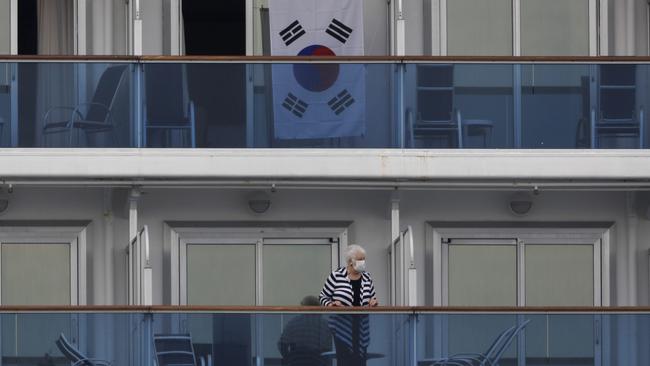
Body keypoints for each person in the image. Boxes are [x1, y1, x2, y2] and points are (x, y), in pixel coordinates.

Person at [319, 245, 378, 366]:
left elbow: (372, 297)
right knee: (344, 361)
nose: (363, 262)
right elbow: (323, 297)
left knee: (360, 360)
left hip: (361, 326)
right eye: (360, 259)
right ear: (350, 261)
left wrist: (373, 302)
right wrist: (331, 304)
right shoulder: (336, 276)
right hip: (341, 326)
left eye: (364, 259)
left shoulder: (367, 277)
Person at [277, 296, 332, 366]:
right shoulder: (325, 324)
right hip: (317, 361)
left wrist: (289, 358)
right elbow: (327, 350)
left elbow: (282, 344)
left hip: (296, 361)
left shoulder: (294, 322)